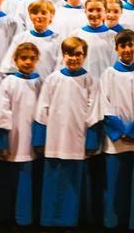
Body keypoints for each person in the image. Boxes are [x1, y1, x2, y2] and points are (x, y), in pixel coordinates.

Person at [33, 36, 103, 227]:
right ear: (63, 55)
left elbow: (95, 112)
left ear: (85, 56)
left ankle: (70, 220)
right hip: (54, 140)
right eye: (69, 54)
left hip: (78, 140)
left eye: (78, 54)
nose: (74, 58)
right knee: (53, 181)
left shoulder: (91, 81)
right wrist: (39, 139)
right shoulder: (52, 79)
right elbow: (42, 109)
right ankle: (49, 220)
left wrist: (91, 141)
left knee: (74, 182)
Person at [100, 30, 134, 230]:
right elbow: (104, 105)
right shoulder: (107, 75)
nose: (126, 50)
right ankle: (114, 220)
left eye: (130, 45)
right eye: (122, 46)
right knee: (115, 183)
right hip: (116, 140)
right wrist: (119, 131)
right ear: (116, 49)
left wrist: (132, 132)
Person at [0, 42, 42, 227]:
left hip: (31, 139)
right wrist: (1, 143)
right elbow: (0, 113)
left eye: (32, 58)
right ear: (15, 60)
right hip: (12, 140)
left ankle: (24, 218)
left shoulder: (40, 82)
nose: (27, 62)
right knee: (6, 180)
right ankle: (3, 217)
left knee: (27, 180)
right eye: (23, 58)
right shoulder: (9, 82)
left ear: (38, 60)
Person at [1, 0, 61, 78]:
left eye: (43, 13)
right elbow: (8, 65)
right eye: (35, 13)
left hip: (49, 84)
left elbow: (60, 66)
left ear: (51, 15)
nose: (39, 16)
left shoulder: (58, 40)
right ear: (30, 16)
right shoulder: (20, 38)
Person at [73, 0, 118, 79]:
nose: (94, 14)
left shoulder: (114, 37)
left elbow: (115, 64)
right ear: (85, 11)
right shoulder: (76, 35)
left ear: (105, 11)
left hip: (105, 83)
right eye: (90, 10)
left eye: (98, 10)